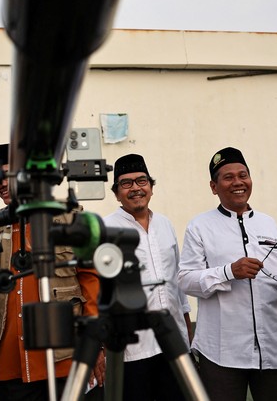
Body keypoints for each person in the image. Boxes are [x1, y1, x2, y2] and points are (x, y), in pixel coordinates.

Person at [0, 144, 102, 400]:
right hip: (12, 365)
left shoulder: (69, 219)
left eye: (11, 175)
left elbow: (92, 281)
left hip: (67, 357)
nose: (2, 183)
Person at [178, 147, 277, 401]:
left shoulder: (269, 223)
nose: (238, 182)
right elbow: (185, 279)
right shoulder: (200, 226)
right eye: (228, 177)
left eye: (243, 175)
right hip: (222, 353)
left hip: (273, 349)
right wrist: (229, 271)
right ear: (214, 186)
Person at [102, 153, 192, 401]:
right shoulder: (105, 229)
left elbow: (177, 281)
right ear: (116, 192)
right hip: (132, 351)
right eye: (126, 183)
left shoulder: (165, 224)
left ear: (151, 187)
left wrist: (186, 329)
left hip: (174, 344)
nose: (135, 189)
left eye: (141, 181)